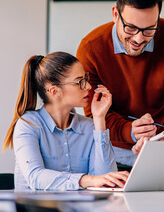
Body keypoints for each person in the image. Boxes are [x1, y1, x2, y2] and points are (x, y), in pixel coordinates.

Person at [76, 0, 164, 166]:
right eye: (131, 28)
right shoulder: (91, 49)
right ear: (116, 14)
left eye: (150, 29)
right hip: (112, 149)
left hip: (163, 145)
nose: (139, 39)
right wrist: (130, 131)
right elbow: (94, 113)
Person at [3, 52, 129, 190]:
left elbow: (106, 181)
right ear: (54, 91)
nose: (88, 86)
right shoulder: (28, 124)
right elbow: (35, 177)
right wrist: (85, 180)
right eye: (80, 82)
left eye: (86, 78)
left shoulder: (89, 126)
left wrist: (99, 119)